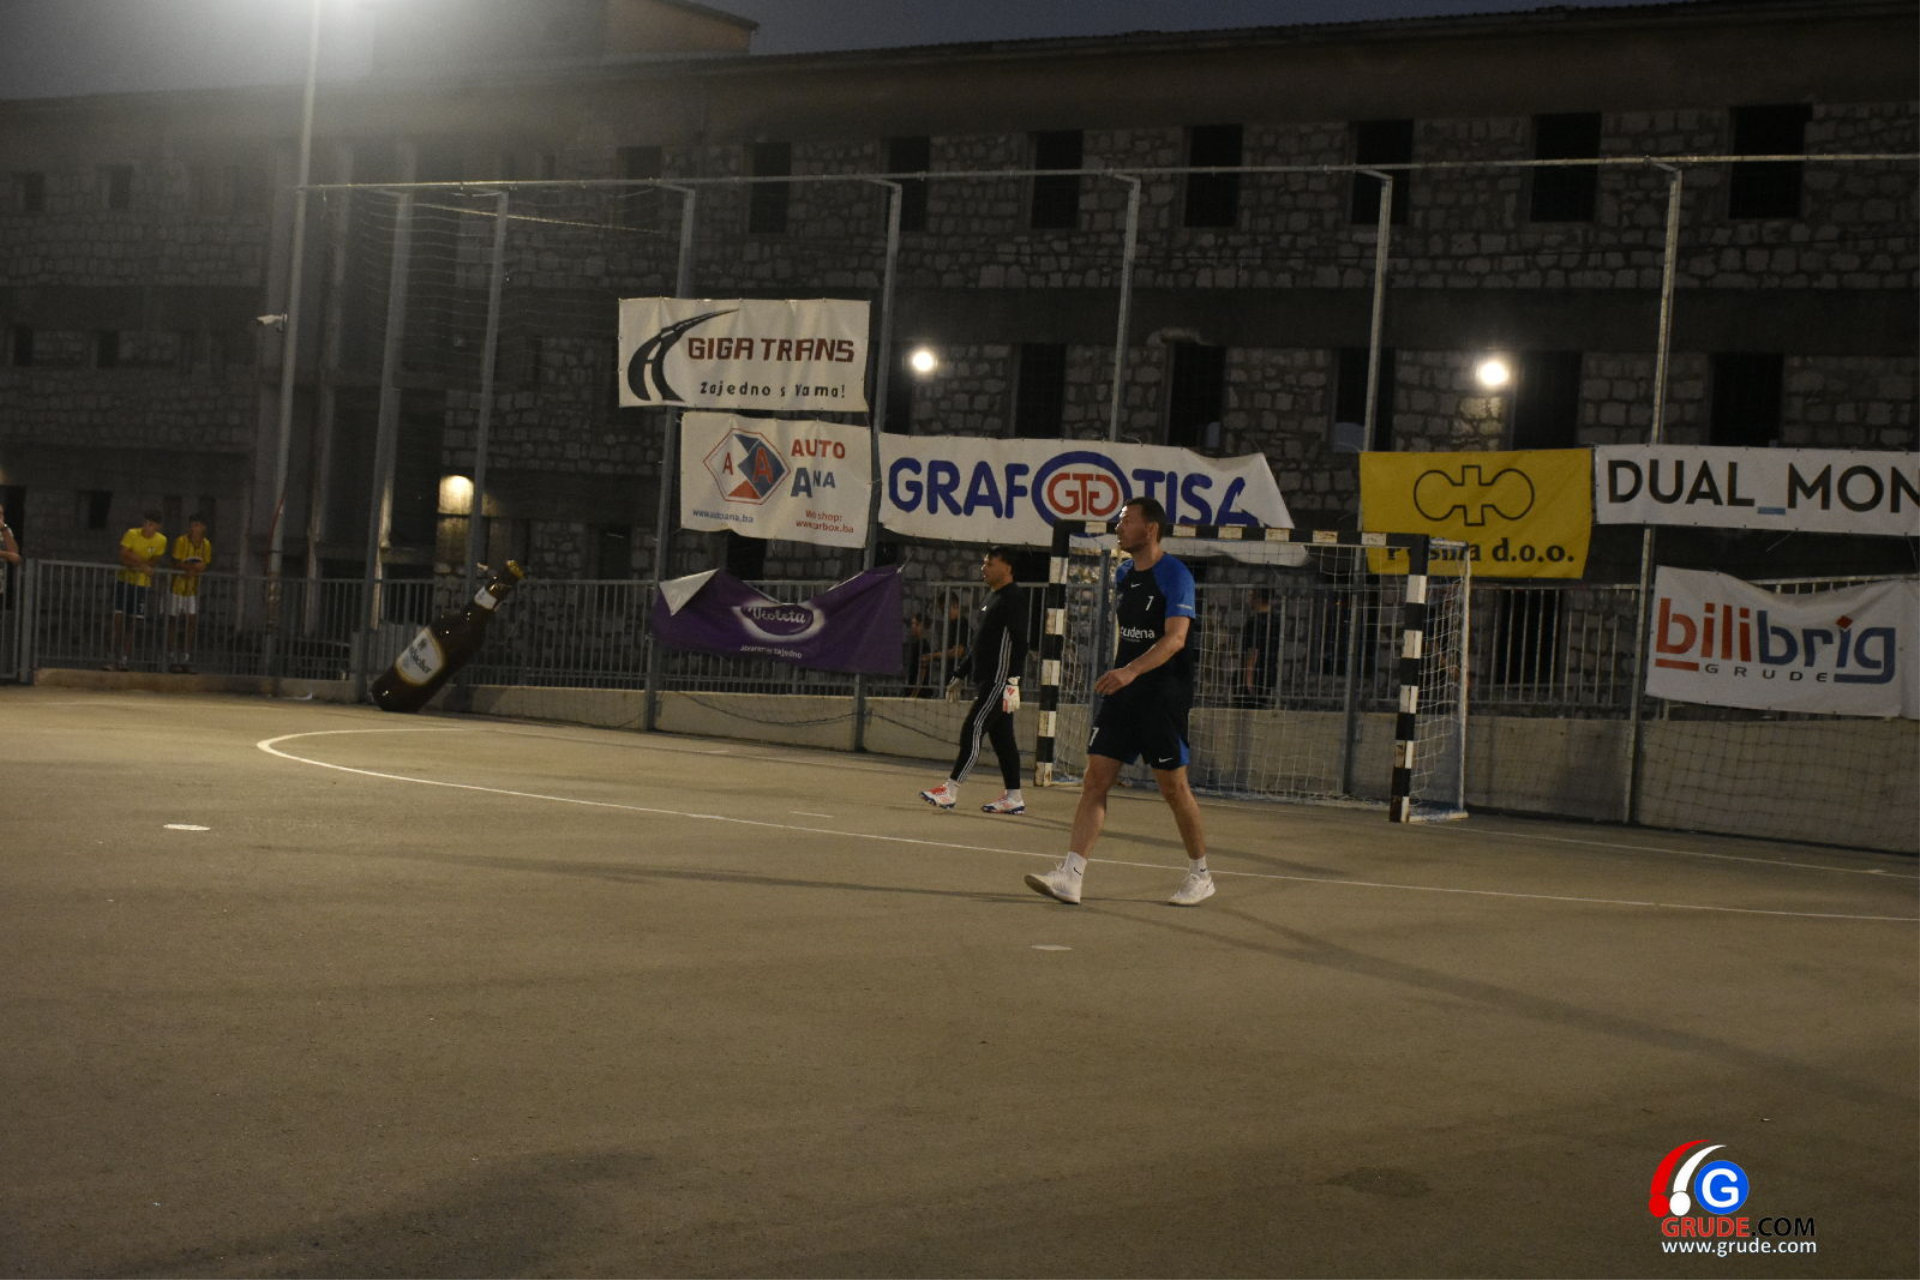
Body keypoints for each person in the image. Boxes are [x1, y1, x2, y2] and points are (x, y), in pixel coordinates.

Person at [1025, 496, 1214, 906]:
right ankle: (1071, 875)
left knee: (1173, 788)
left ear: (1151, 529)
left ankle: (1201, 874)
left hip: (1163, 696)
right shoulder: (1125, 572)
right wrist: (1123, 674)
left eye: (1126, 520)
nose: (1118, 526)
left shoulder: (1175, 575)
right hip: (1123, 694)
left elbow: (1175, 639)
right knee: (1095, 778)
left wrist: (1131, 670)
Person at [919, 547, 1030, 815]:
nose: (984, 568)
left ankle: (950, 790)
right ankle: (1014, 797)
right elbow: (978, 642)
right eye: (984, 563)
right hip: (986, 679)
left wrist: (1013, 681)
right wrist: (960, 673)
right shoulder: (991, 597)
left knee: (973, 728)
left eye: (990, 563)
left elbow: (1020, 643)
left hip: (999, 681)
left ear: (1007, 568)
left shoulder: (1014, 598)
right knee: (1003, 739)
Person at [107, 510, 166, 671]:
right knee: (117, 620)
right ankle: (111, 657)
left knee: (133, 622)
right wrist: (141, 564)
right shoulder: (132, 533)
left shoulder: (161, 540)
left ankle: (124, 658)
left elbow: (154, 561)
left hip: (141, 585)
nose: (147, 527)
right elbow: (123, 556)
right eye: (145, 523)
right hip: (123, 580)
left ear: (157, 527)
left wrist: (135, 558)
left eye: (151, 524)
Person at [165, 512, 212, 673]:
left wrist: (197, 568)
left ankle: (185, 657)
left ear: (203, 527)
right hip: (177, 587)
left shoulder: (206, 544)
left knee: (190, 623)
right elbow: (176, 562)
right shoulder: (182, 541)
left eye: (197, 525)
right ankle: (172, 657)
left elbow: (205, 564)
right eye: (192, 525)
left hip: (192, 589)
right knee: (173, 621)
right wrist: (190, 568)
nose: (193, 529)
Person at [1238, 588, 1281, 708]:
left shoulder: (1254, 622)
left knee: (1248, 708)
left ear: (1258, 599)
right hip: (1270, 671)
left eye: (1251, 597)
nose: (1249, 601)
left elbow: (1253, 651)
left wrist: (1248, 680)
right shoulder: (1276, 621)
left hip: (1256, 674)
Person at [902, 611, 932, 697]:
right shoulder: (917, 643)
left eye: (915, 624)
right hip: (915, 689)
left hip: (919, 693)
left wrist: (914, 694)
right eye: (912, 624)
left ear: (921, 626)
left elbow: (923, 671)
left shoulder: (923, 645)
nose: (912, 626)